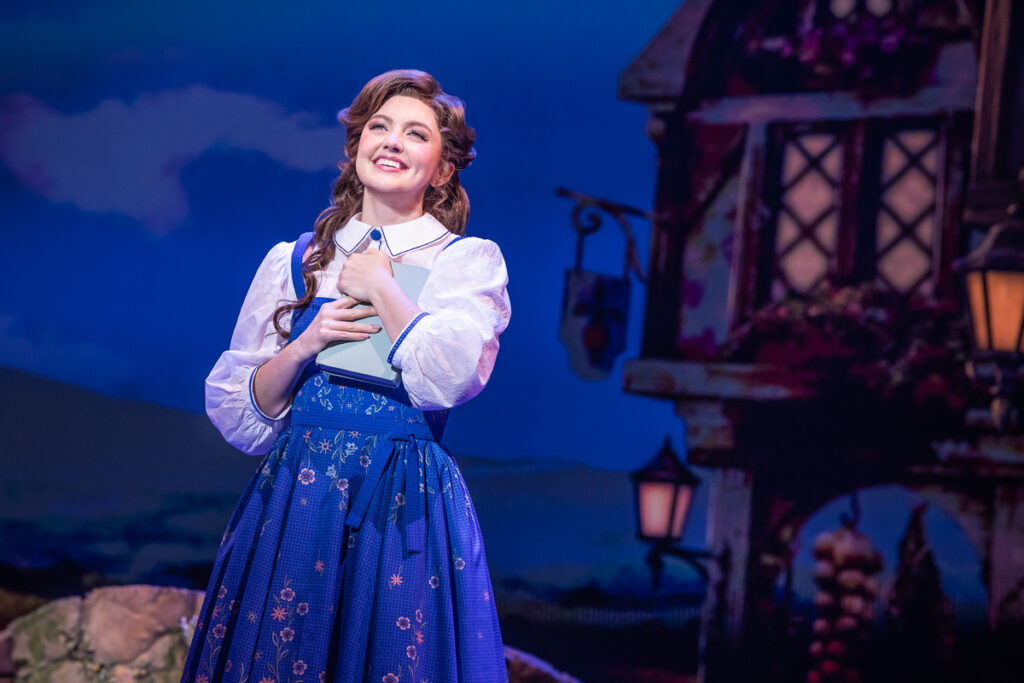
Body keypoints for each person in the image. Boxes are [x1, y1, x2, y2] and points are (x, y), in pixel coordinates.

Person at [181, 70, 511, 683]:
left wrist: (382, 286)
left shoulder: (464, 262)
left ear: (442, 169)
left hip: (402, 496)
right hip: (300, 490)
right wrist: (306, 344)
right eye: (379, 127)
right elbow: (241, 411)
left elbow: (450, 379)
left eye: (416, 133)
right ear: (357, 145)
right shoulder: (299, 258)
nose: (392, 141)